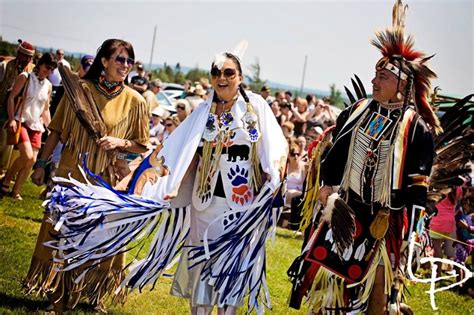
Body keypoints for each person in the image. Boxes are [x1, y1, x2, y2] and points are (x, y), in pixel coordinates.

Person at [44, 51, 287, 315]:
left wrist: (271, 182)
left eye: (229, 73)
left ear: (240, 77)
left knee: (233, 268)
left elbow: (273, 148)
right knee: (203, 265)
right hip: (204, 203)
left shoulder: (256, 107)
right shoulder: (204, 112)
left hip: (243, 205)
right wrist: (155, 183)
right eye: (216, 73)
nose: (222, 78)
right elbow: (181, 151)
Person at [288, 5, 441, 313]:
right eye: (374, 74)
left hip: (386, 220)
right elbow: (336, 153)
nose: (374, 81)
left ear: (402, 85)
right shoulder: (358, 111)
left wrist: (411, 234)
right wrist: (328, 185)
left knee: (377, 293)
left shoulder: (416, 129)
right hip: (346, 210)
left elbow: (417, 189)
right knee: (327, 285)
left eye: (382, 76)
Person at [25, 39, 150, 312]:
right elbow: (56, 130)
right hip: (72, 174)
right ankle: (57, 298)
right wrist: (41, 163)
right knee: (63, 235)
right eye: (120, 59)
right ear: (103, 61)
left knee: (101, 237)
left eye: (129, 60)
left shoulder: (135, 101)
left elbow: (142, 144)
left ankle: (94, 293)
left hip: (105, 180)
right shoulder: (79, 91)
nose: (126, 65)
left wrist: (119, 143)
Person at [0, 53, 56, 199]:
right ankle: (6, 181)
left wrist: (50, 128)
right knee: (27, 155)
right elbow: (12, 98)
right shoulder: (25, 77)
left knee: (31, 161)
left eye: (51, 69)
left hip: (36, 124)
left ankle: (16, 191)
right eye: (47, 67)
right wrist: (12, 119)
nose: (48, 71)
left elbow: (45, 109)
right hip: (21, 120)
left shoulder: (48, 85)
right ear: (40, 64)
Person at [0, 39, 35, 176]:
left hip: (21, 111)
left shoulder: (32, 71)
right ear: (18, 53)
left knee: (12, 143)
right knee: (2, 141)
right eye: (25, 55)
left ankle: (5, 172)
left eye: (30, 57)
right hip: (3, 107)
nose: (27, 59)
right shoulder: (4, 66)